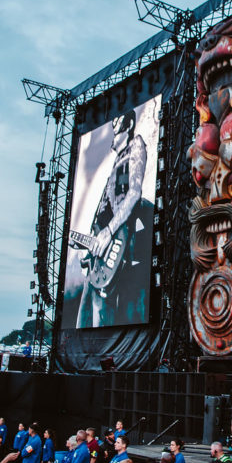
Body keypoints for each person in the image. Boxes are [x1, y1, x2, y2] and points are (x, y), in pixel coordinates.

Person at [75, 110, 152, 328]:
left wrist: (109, 231)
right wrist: (87, 241)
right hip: (99, 256)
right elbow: (104, 212)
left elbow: (134, 193)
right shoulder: (114, 167)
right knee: (86, 315)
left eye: (116, 124)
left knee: (104, 310)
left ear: (127, 126)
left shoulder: (135, 145)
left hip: (122, 241)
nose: (112, 129)